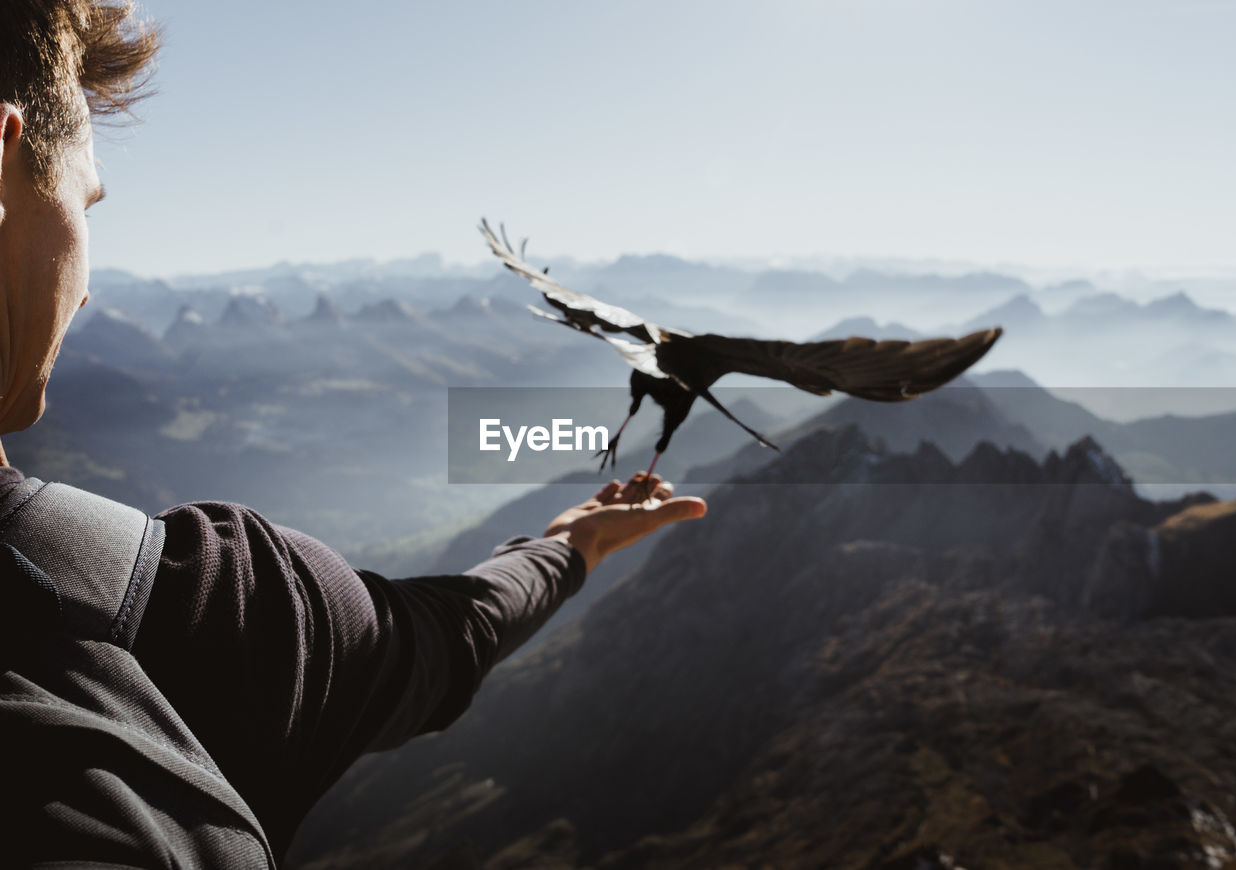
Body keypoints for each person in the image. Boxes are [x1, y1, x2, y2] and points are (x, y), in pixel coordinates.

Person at [0, 1, 707, 865]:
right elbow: (449, 635)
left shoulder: (224, 610)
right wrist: (575, 544)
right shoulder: (217, 612)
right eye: (84, 201)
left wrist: (573, 539)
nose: (84, 290)